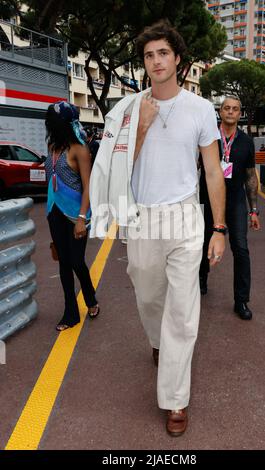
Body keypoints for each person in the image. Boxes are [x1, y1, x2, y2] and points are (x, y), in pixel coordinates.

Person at [89, 20, 226, 437]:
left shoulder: (201, 109)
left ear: (178, 58)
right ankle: (157, 341)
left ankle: (175, 400)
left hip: (186, 217)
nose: (156, 61)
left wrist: (218, 227)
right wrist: (143, 125)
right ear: (144, 63)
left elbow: (213, 171)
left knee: (183, 313)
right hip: (143, 218)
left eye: (163, 53)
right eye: (149, 55)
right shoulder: (127, 109)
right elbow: (113, 168)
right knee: (148, 297)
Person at [199, 96, 261, 320]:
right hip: (207, 199)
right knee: (203, 243)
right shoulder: (208, 138)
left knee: (241, 249)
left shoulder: (246, 141)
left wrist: (253, 210)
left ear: (240, 113)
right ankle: (202, 278)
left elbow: (250, 177)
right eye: (227, 108)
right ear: (220, 111)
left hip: (235, 201)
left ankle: (241, 300)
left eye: (235, 109)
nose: (231, 112)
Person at [45, 101, 100, 331]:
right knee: (64, 264)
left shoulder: (79, 149)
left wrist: (81, 219)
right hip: (54, 212)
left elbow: (88, 186)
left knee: (77, 262)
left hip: (76, 215)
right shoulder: (52, 148)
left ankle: (91, 299)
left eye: (52, 121)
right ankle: (70, 312)